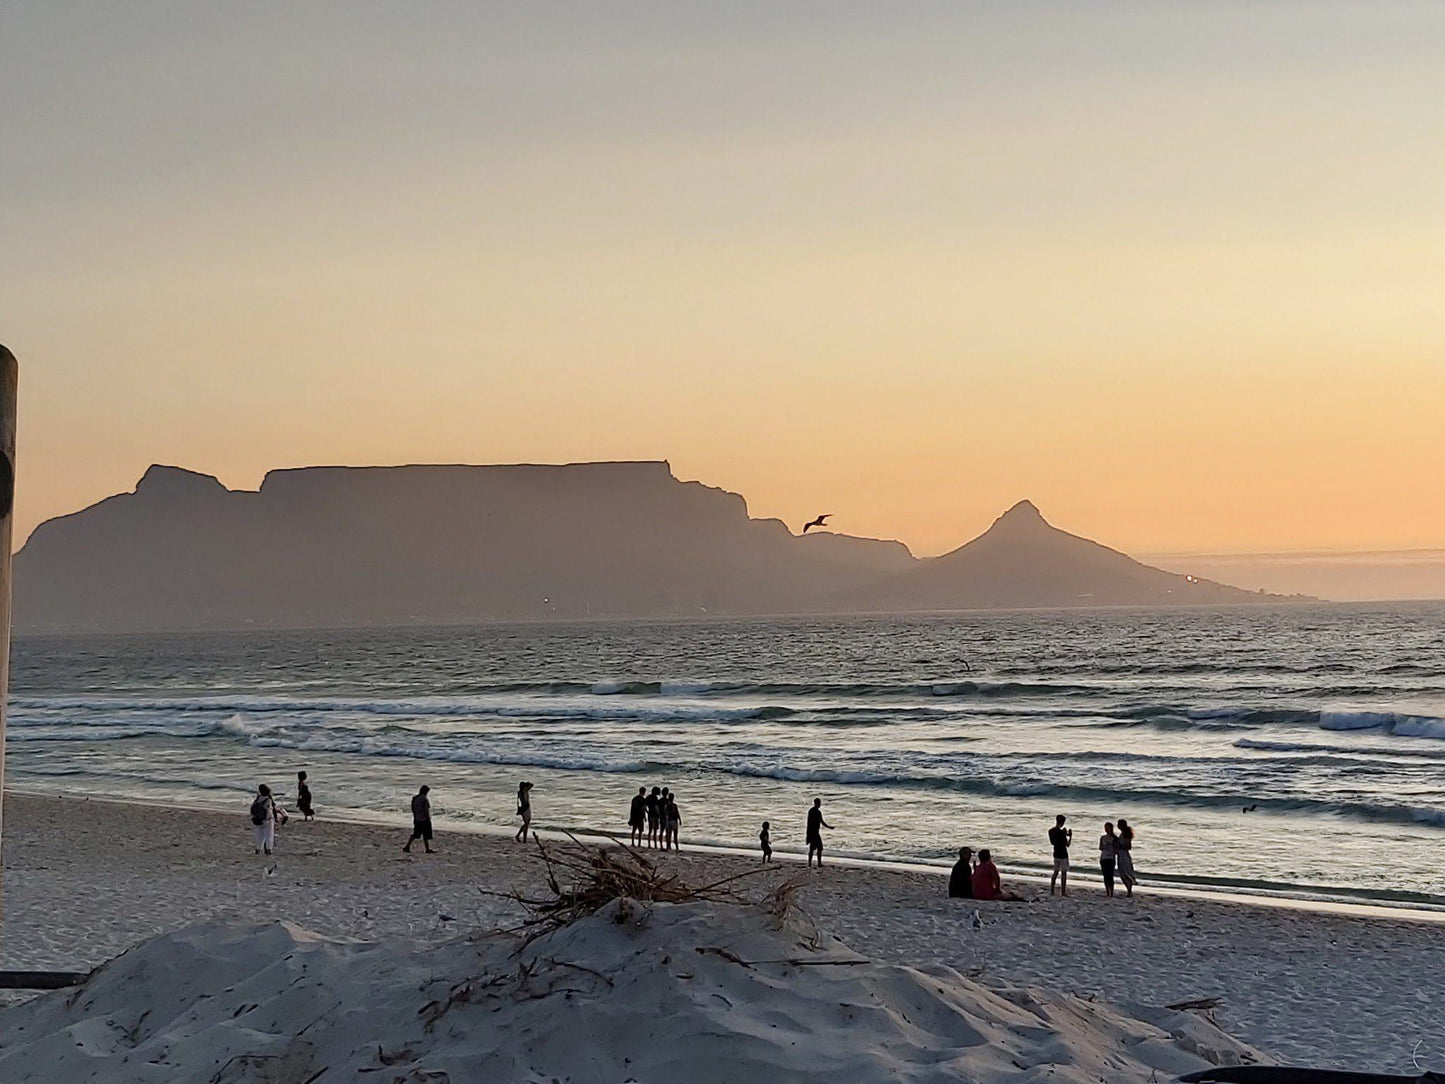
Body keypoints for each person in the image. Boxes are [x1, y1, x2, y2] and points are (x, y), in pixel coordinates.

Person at [404, 785, 434, 854]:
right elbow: (426, 810)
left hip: (417, 818)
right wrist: (428, 818)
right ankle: (427, 849)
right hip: (424, 819)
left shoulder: (415, 798)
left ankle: (407, 846)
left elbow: (413, 808)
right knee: (426, 834)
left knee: (416, 833)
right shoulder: (424, 799)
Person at [249, 784, 277, 856]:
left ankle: (258, 848)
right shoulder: (268, 799)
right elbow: (273, 809)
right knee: (269, 835)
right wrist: (276, 818)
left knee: (259, 834)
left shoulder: (258, 798)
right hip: (267, 819)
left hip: (258, 819)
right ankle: (268, 849)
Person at [1048, 814, 1072, 896]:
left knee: (1055, 872)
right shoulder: (1062, 832)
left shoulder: (1051, 831)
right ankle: (1063, 891)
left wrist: (1064, 834)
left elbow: (1052, 842)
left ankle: (1052, 890)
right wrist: (1070, 836)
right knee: (1063, 873)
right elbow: (1067, 844)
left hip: (1056, 853)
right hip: (1063, 854)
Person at [805, 798, 831, 867]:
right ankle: (816, 863)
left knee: (814, 848)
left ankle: (811, 863)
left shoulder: (812, 811)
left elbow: (820, 822)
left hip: (812, 832)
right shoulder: (815, 812)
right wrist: (829, 827)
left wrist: (829, 827)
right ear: (816, 803)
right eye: (819, 803)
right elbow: (821, 822)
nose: (820, 804)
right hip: (814, 833)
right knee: (818, 848)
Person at [1115, 818, 1136, 897]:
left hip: (1123, 855)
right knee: (1126, 872)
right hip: (1124, 855)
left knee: (1124, 873)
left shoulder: (1124, 834)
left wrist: (1119, 844)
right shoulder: (1124, 834)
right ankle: (1129, 890)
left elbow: (1128, 846)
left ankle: (1129, 890)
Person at [1099, 821, 1118, 898]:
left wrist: (1111, 844)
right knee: (1105, 875)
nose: (1106, 830)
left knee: (1110, 875)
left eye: (1107, 828)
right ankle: (1107, 891)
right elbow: (1100, 847)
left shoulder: (1114, 838)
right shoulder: (1103, 837)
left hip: (1111, 858)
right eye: (1105, 828)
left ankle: (1111, 892)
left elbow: (1116, 849)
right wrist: (1104, 845)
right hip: (1104, 857)